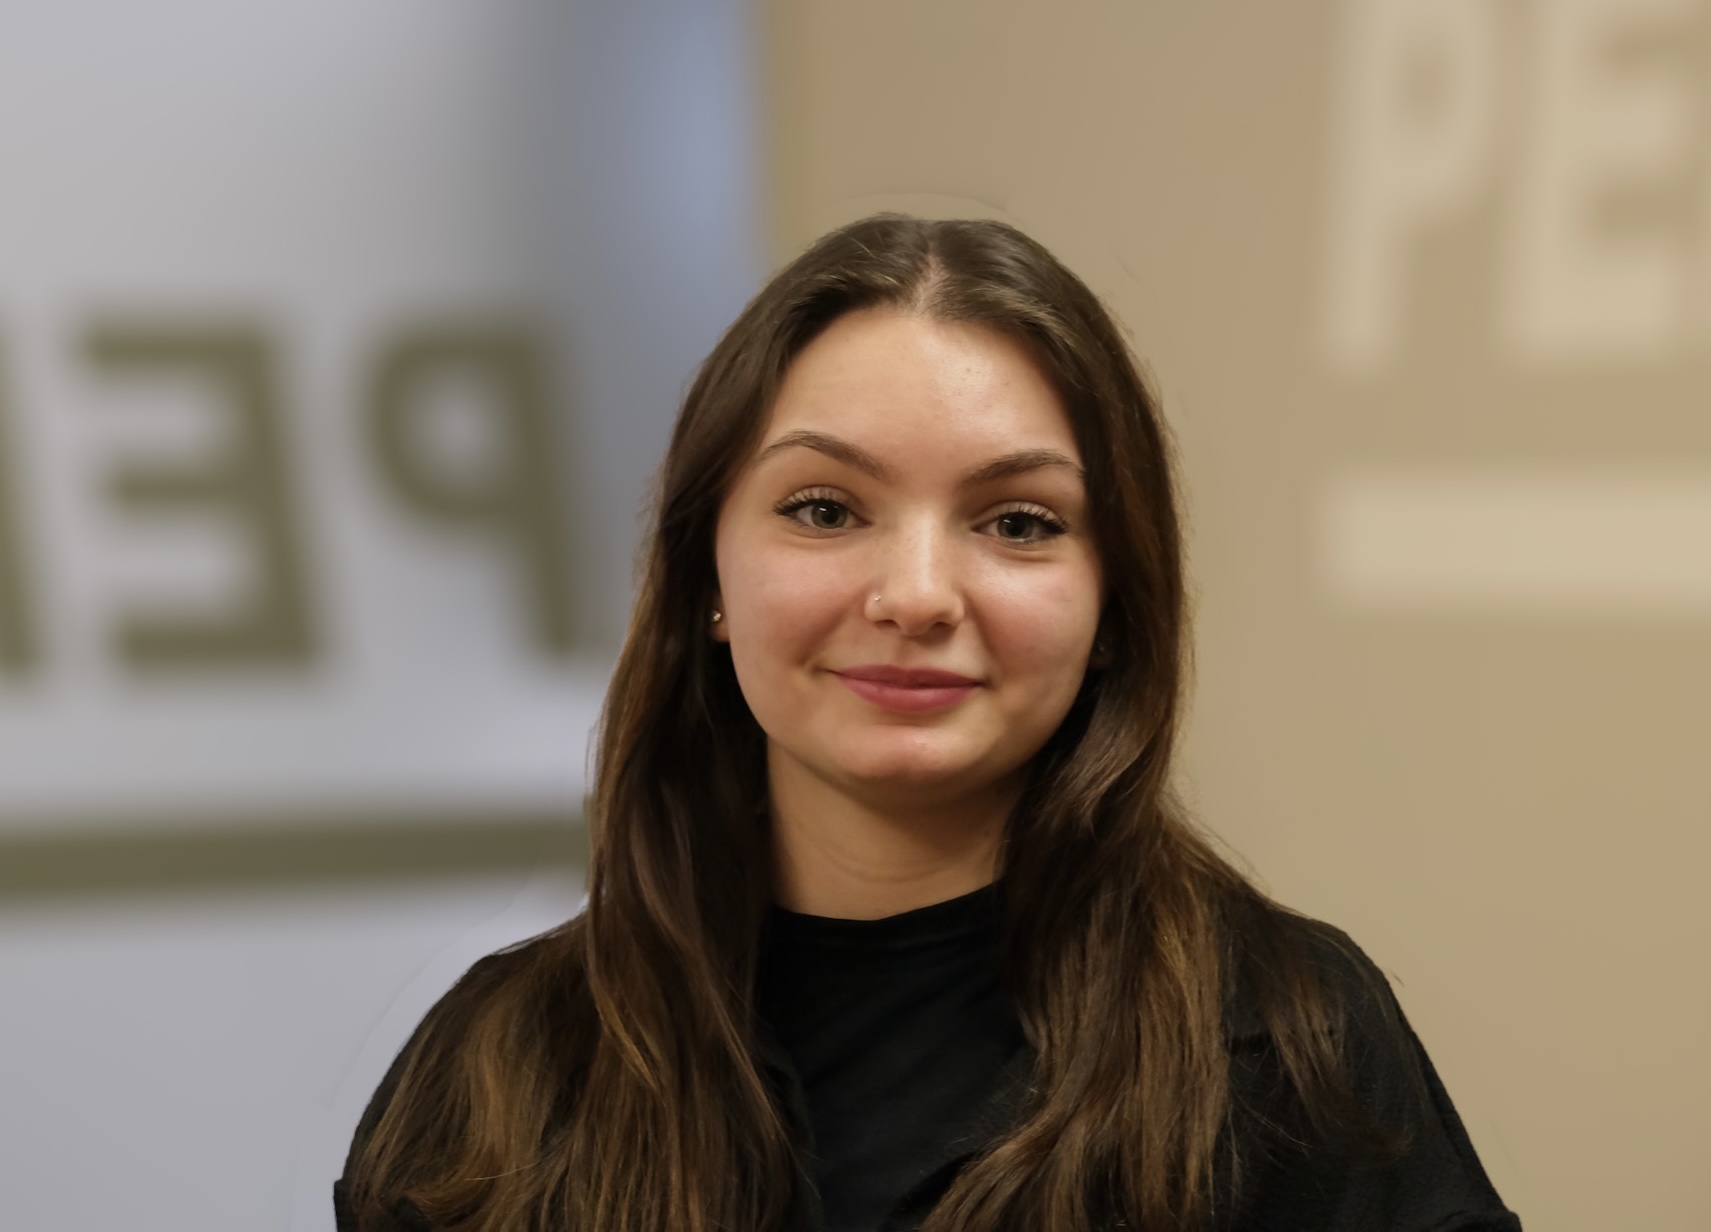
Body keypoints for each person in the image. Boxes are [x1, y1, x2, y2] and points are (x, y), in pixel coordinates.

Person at [335, 215, 1520, 1232]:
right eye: (824, 508)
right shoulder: (499, 1075)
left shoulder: (1286, 1047)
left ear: (1115, 604)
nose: (914, 595)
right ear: (706, 577)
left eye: (1018, 523)